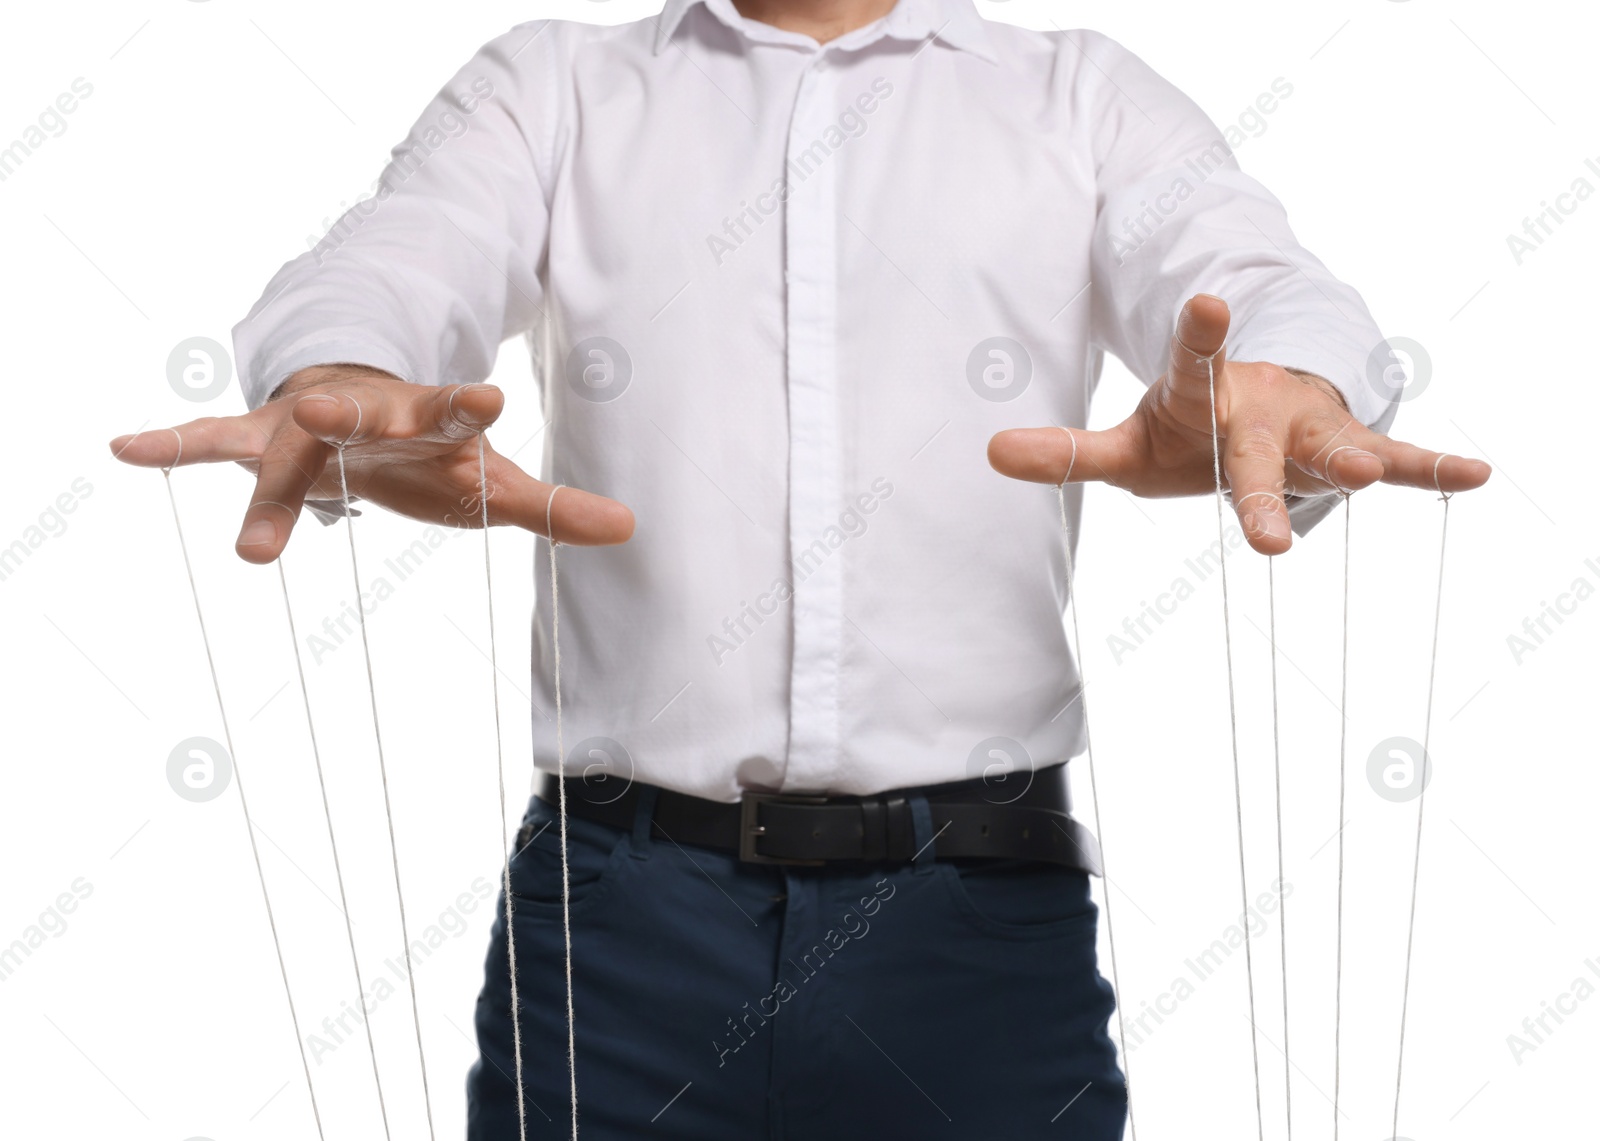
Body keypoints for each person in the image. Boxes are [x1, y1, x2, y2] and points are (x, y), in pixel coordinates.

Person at [111, 0, 1490, 1136]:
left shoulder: (1081, 98)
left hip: (980, 920)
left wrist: (1287, 383)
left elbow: (1253, 271)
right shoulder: (559, 87)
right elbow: (396, 254)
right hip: (619, 927)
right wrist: (343, 370)